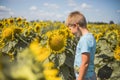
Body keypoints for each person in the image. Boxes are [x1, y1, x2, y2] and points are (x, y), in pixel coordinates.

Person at [65, 11, 97, 80]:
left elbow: (85, 63)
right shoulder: (90, 37)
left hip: (85, 77)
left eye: (70, 29)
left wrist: (79, 78)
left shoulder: (85, 40)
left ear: (76, 25)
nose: (70, 32)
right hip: (89, 75)